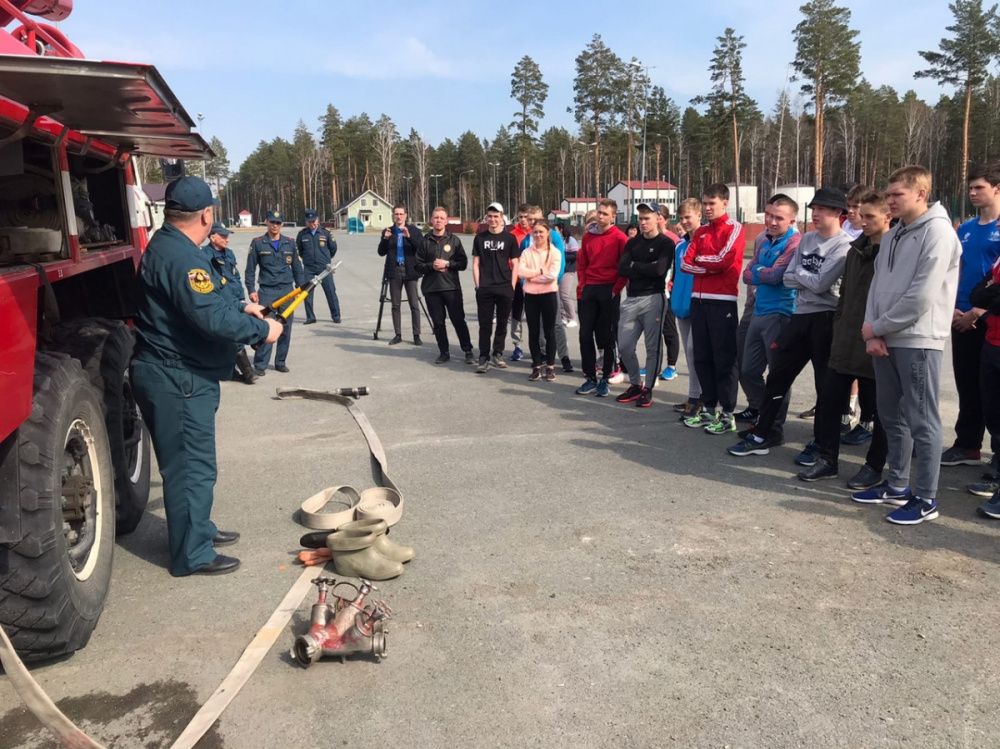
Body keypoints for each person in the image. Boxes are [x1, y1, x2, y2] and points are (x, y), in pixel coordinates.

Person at [131, 176, 282, 576]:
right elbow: (211, 319)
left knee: (195, 464)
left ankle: (198, 528)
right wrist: (262, 331)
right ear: (206, 215)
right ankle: (192, 554)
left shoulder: (174, 248)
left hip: (179, 374)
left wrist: (242, 307)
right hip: (177, 377)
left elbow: (210, 299)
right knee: (190, 468)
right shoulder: (181, 257)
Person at [855, 165, 961, 525]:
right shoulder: (897, 232)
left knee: (922, 419)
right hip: (886, 337)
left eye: (897, 195)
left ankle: (926, 497)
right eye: (888, 195)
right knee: (891, 415)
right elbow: (877, 284)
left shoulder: (939, 233)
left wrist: (879, 327)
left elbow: (921, 297)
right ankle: (897, 484)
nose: (890, 201)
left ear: (920, 193)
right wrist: (873, 329)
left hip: (919, 338)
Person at [728, 188, 851, 458]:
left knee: (826, 386)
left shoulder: (844, 246)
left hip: (825, 318)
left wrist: (800, 276)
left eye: (822, 209)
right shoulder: (807, 239)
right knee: (778, 376)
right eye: (814, 208)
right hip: (800, 316)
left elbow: (816, 284)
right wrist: (802, 277)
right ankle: (764, 432)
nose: (816, 213)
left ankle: (821, 445)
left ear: (838, 213)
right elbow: (787, 278)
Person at [797, 190, 890, 486]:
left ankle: (874, 467)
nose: (861, 221)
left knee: (880, 410)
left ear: (887, 217)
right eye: (860, 215)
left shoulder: (892, 252)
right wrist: (840, 326)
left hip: (878, 342)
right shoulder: (855, 250)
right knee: (828, 399)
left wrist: (880, 332)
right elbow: (845, 295)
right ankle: (827, 460)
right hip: (846, 338)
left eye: (869, 216)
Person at [943, 163, 1000, 466]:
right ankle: (967, 445)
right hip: (959, 315)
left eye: (979, 187)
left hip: (989, 317)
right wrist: (953, 306)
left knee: (991, 389)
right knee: (967, 383)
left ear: (997, 189)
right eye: (971, 188)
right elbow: (955, 271)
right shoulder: (964, 229)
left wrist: (979, 310)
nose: (973, 193)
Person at [680, 184, 745, 434]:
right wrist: (708, 264)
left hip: (722, 301)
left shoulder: (735, 229)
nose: (707, 208)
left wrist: (703, 263)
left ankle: (727, 413)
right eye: (705, 203)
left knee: (724, 358)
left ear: (725, 203)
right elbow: (687, 263)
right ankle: (708, 409)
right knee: (702, 357)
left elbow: (725, 261)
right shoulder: (701, 232)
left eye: (712, 203)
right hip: (698, 301)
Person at [736, 194, 801, 429]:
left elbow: (777, 277)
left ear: (792, 220)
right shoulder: (763, 238)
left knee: (778, 374)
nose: (772, 222)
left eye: (779, 218)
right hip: (758, 310)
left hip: (780, 313)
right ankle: (760, 409)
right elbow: (746, 274)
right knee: (748, 369)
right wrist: (764, 272)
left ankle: (774, 424)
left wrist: (761, 273)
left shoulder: (795, 243)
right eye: (769, 215)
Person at [615, 202, 674, 408]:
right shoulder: (632, 243)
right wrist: (643, 267)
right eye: (640, 218)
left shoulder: (666, 244)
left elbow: (659, 270)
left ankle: (648, 388)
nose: (642, 222)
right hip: (631, 299)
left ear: (658, 218)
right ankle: (635, 383)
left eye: (647, 218)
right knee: (624, 345)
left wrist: (635, 267)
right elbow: (622, 268)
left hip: (654, 298)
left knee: (652, 347)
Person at [575, 198, 627, 397]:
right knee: (585, 334)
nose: (600, 216)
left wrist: (616, 288)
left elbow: (624, 267)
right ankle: (590, 377)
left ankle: (606, 377)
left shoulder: (620, 238)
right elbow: (582, 264)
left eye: (605, 213)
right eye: (599, 212)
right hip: (590, 289)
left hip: (609, 290)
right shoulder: (589, 237)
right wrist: (583, 284)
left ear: (613, 216)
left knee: (607, 336)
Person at [246, 210, 304, 375]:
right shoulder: (257, 243)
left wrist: (300, 289)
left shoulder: (290, 243)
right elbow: (250, 270)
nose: (275, 225)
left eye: (278, 223)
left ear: (282, 224)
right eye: (272, 222)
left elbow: (298, 269)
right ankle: (260, 365)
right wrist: (251, 290)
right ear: (266, 222)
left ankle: (280, 362)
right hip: (267, 292)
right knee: (266, 327)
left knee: (285, 328)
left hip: (287, 291)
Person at [414, 206, 474, 365]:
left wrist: (448, 263)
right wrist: (431, 266)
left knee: (458, 320)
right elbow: (417, 265)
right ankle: (444, 352)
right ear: (431, 220)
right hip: (432, 289)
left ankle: (467, 350)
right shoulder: (424, 241)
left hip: (451, 288)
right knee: (438, 323)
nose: (438, 220)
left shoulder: (454, 240)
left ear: (446, 221)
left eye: (441, 218)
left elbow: (463, 263)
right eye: (436, 217)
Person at [204, 223, 256, 385]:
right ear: (213, 237)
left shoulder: (230, 254)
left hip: (235, 299)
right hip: (222, 301)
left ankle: (231, 370)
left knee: (234, 334)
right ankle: (248, 372)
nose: (227, 239)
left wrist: (241, 296)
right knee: (232, 336)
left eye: (227, 236)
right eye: (223, 236)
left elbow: (235, 276)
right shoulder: (205, 256)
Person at [969, 245, 1000, 518]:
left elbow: (991, 297)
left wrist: (987, 305)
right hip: (992, 344)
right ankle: (997, 474)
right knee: (994, 416)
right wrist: (990, 299)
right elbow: (978, 293)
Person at [472, 202, 521, 373]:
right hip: (485, 287)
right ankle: (483, 356)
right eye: (490, 217)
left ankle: (498, 353)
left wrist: (512, 286)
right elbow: (476, 263)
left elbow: (515, 264)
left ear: (502, 218)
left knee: (502, 323)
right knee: (485, 324)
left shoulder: (510, 238)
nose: (492, 219)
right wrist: (478, 285)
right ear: (486, 218)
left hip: (504, 287)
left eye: (496, 216)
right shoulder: (480, 238)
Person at [670, 199, 704, 418]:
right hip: (681, 306)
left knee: (696, 351)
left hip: (699, 304)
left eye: (688, 217)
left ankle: (703, 398)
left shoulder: (704, 242)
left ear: (699, 215)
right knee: (690, 355)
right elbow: (676, 276)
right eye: (681, 218)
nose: (684, 222)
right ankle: (693, 396)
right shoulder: (681, 246)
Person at [518, 220, 563, 381]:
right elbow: (521, 272)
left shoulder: (555, 253)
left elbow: (552, 275)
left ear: (547, 234)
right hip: (531, 296)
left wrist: (532, 277)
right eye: (535, 232)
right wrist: (539, 271)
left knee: (549, 331)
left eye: (541, 232)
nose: (538, 235)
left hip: (548, 295)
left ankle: (550, 366)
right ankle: (536, 366)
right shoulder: (526, 252)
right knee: (534, 331)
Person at [377, 205, 424, 345]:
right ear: (393, 215)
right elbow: (381, 252)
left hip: (410, 270)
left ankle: (416, 335)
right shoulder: (388, 231)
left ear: (405, 215)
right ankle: (398, 334)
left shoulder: (414, 231)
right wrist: (385, 239)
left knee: (414, 305)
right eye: (396, 214)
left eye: (401, 214)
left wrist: (409, 238)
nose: (398, 216)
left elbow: (421, 249)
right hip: (394, 270)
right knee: (395, 305)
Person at [296, 209, 340, 325]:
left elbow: (333, 248)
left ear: (318, 219)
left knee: (330, 291)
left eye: (314, 221)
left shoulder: (326, 233)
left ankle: (336, 315)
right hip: (309, 268)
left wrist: (325, 259)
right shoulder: (302, 235)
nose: (313, 223)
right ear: (306, 222)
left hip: (324, 268)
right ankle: (310, 317)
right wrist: (307, 259)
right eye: (310, 221)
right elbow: (300, 250)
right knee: (307, 293)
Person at [657, 204, 682, 381]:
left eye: (659, 217)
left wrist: (672, 285)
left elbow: (678, 267)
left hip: (669, 291)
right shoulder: (649, 238)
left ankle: (671, 366)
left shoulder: (673, 239)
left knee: (669, 329)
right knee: (654, 330)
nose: (655, 220)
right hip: (652, 292)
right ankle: (654, 365)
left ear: (665, 220)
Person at [508, 204, 534, 361]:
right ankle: (517, 346)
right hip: (517, 281)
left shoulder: (538, 233)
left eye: (526, 217)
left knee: (534, 317)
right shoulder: (512, 235)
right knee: (516, 315)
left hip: (535, 283)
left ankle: (537, 347)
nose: (523, 220)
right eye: (520, 217)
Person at [559, 224, 580, 371]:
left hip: (569, 270)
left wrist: (561, 255)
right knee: (559, 295)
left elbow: (575, 255)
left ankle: (572, 317)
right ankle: (563, 316)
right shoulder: (558, 240)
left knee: (565, 294)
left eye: (557, 229)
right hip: (560, 271)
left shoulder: (570, 240)